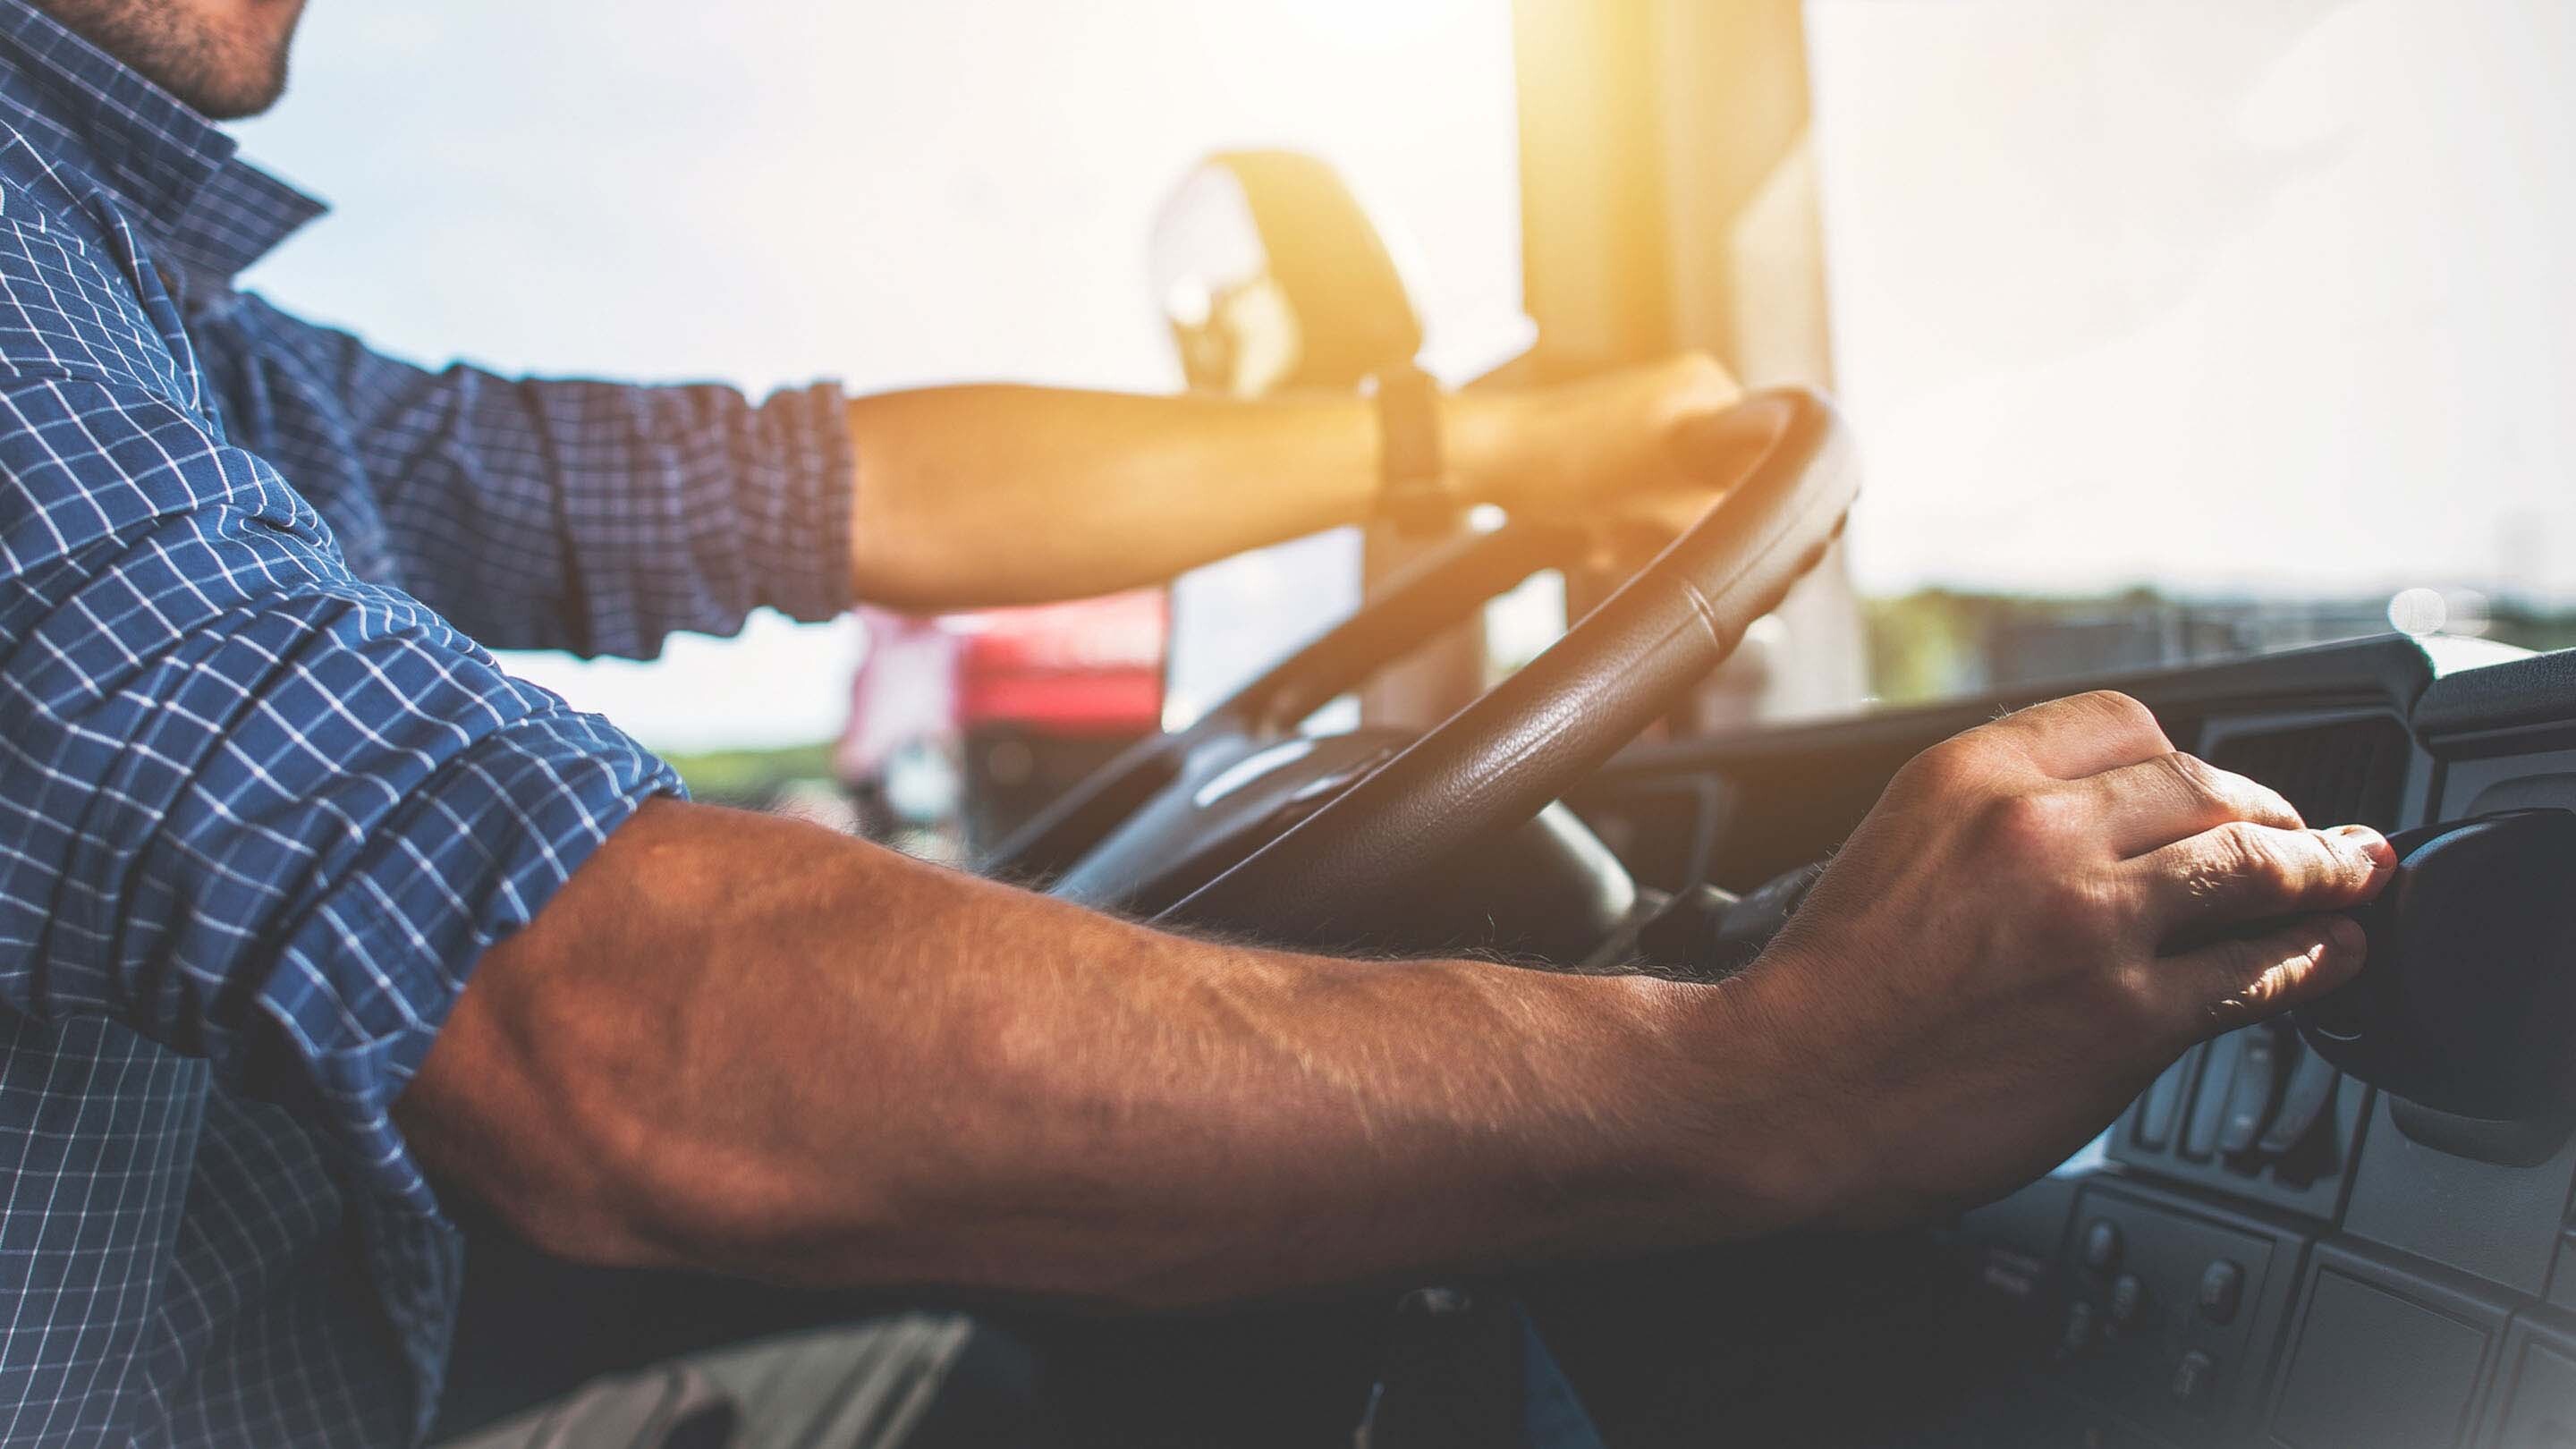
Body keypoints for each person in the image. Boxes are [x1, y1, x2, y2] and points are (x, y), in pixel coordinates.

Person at [0, 0, 2395, 1445]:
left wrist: (1478, 454)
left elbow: (744, 484)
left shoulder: (160, 331)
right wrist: (1768, 1078)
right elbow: (590, 1007)